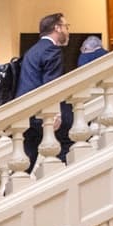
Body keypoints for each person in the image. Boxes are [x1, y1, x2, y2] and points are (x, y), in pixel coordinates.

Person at [18, 13, 73, 171]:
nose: (67, 31)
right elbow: (51, 84)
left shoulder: (32, 51)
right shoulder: (52, 50)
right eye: (66, 27)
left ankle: (9, 195)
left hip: (26, 112)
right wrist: (55, 113)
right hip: (41, 112)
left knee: (25, 161)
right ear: (57, 28)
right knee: (71, 138)